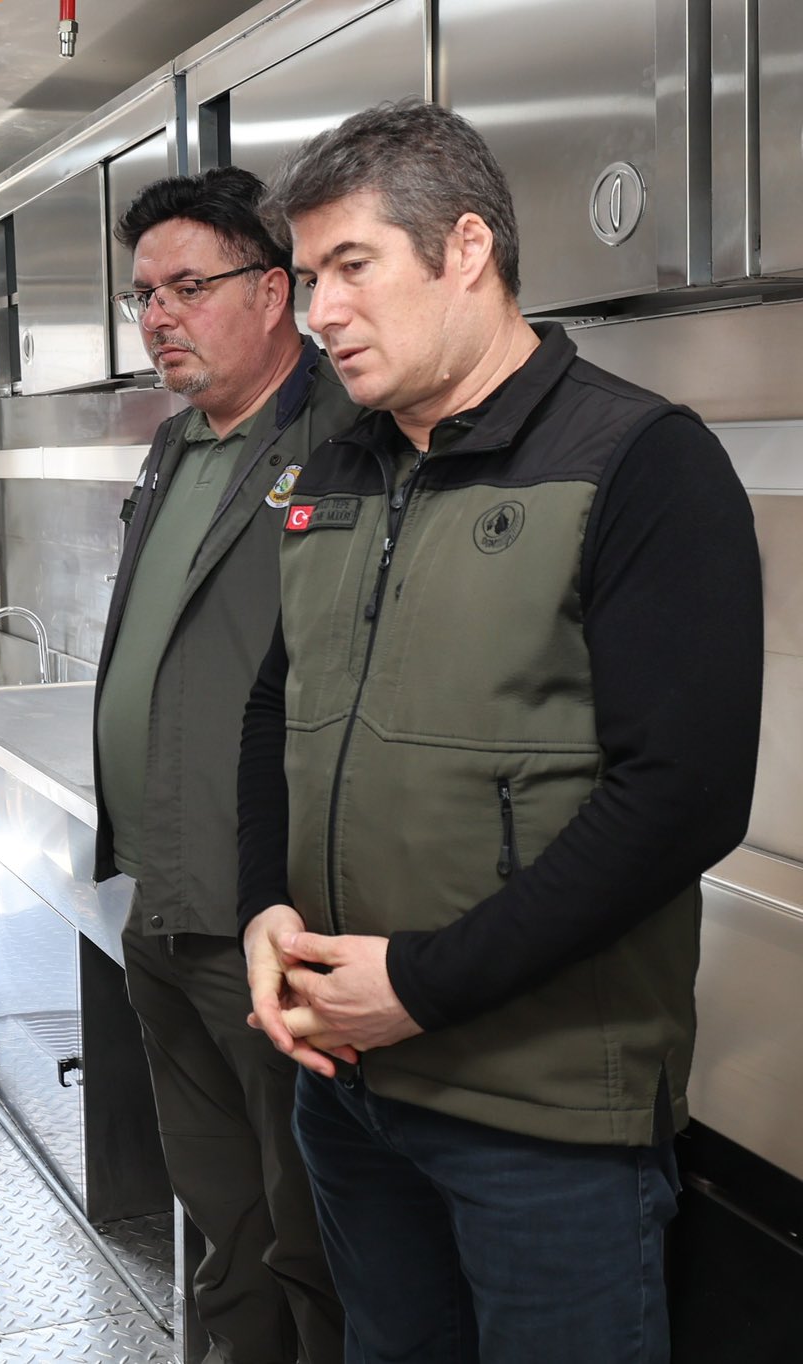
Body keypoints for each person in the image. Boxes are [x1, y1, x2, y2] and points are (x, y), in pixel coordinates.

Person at [239, 100, 763, 1364]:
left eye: (350, 265)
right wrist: (265, 904)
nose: (319, 311)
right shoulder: (336, 469)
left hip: (543, 1119)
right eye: (307, 277)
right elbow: (272, 706)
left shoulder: (639, 460)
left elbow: (681, 796)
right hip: (348, 1089)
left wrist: (416, 986)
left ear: (464, 247)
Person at [96, 166, 349, 1364]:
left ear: (271, 291)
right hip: (161, 897)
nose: (157, 316)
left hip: (267, 911)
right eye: (143, 294)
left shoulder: (340, 439)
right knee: (223, 1219)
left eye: (186, 287)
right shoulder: (173, 445)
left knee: (312, 1231)